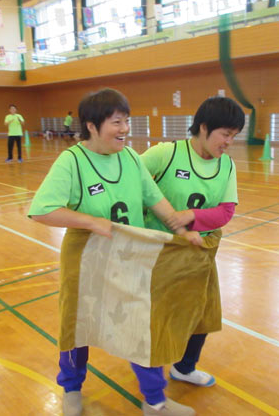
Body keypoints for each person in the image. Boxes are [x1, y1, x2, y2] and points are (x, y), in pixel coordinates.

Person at [28, 88, 200, 416]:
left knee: (141, 329)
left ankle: (155, 401)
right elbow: (41, 210)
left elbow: (154, 199)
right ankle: (71, 390)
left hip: (129, 259)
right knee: (78, 328)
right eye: (116, 122)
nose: (124, 129)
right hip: (87, 261)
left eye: (126, 122)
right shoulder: (72, 161)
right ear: (91, 126)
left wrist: (181, 229)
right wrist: (91, 221)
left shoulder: (132, 158)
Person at [141, 96, 245, 389]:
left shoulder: (226, 166)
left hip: (200, 252)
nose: (229, 142)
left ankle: (184, 368)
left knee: (202, 313)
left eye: (234, 136)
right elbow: (131, 181)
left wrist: (190, 216)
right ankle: (151, 384)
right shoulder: (166, 154)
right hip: (159, 254)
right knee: (158, 318)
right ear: (203, 127)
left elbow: (225, 212)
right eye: (225, 134)